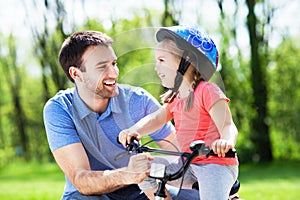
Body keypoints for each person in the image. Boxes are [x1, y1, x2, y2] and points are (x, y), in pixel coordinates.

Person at [43, 30, 199, 200]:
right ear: (76, 74)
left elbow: (179, 151)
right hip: (91, 196)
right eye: (102, 66)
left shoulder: (138, 101)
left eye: (114, 63)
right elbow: (81, 179)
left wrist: (217, 186)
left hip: (140, 191)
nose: (114, 73)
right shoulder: (60, 109)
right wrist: (129, 174)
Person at [119, 25, 240, 200]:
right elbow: (157, 118)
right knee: (142, 168)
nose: (156, 67)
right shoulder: (176, 97)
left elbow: (228, 124)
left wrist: (226, 141)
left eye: (161, 60)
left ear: (186, 60)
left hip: (215, 165)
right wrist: (134, 130)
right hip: (185, 166)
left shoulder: (207, 91)